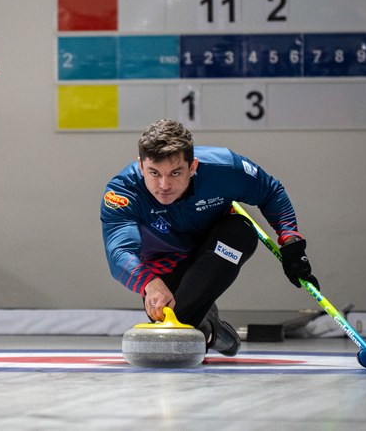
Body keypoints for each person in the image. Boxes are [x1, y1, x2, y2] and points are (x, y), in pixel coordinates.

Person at [100, 119, 318, 356]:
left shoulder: (224, 168)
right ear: (141, 166)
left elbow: (270, 191)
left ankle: (204, 326)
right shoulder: (122, 192)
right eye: (154, 173)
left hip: (219, 246)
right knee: (173, 330)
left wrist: (290, 240)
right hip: (165, 265)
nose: (164, 185)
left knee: (240, 232)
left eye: (175, 173)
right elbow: (119, 253)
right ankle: (215, 333)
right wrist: (149, 283)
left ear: (192, 166)